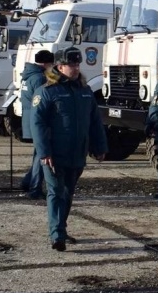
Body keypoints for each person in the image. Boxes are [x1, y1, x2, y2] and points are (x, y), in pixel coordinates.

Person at [32, 47, 108, 252]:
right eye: (71, 65)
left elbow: (94, 122)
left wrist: (99, 147)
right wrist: (44, 152)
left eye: (77, 64)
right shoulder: (47, 91)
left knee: (68, 192)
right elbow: (37, 124)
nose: (75, 68)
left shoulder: (84, 91)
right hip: (55, 153)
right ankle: (56, 234)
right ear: (59, 66)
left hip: (77, 152)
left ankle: (61, 229)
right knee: (56, 192)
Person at [19, 50, 55, 199]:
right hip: (39, 122)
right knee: (41, 155)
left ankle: (28, 181)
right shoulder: (40, 78)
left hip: (28, 119)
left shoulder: (28, 76)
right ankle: (34, 187)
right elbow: (43, 100)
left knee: (37, 154)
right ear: (47, 63)